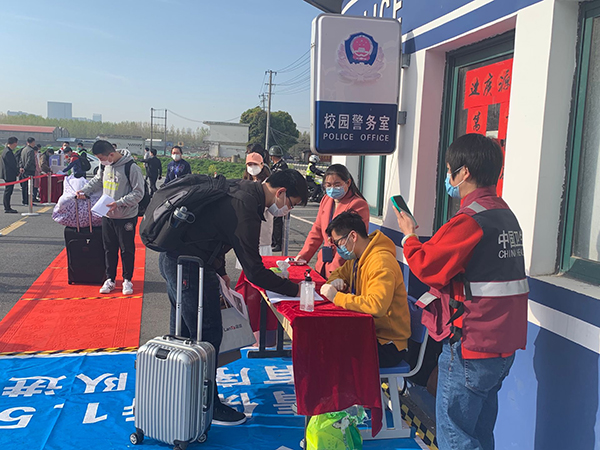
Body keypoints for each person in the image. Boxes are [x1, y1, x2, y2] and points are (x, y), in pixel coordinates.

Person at [394, 133, 528, 450]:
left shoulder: (470, 220)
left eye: (449, 170)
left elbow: (427, 266)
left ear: (463, 172)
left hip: (471, 347)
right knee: (480, 433)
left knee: (455, 437)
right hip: (502, 346)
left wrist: (409, 236)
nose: (448, 178)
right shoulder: (505, 215)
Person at [159, 169, 308, 426]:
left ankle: (182, 395)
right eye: (291, 204)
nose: (287, 210)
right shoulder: (247, 206)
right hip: (191, 269)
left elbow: (213, 232)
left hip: (178, 261)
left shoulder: (242, 190)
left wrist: (220, 271)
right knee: (207, 336)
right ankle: (208, 405)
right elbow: (254, 270)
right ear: (281, 192)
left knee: (184, 334)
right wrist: (295, 290)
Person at [320, 211, 411, 368]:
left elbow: (376, 306)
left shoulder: (381, 262)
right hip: (367, 332)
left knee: (331, 354)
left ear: (353, 236)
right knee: (326, 342)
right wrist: (338, 282)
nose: (338, 249)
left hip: (387, 344)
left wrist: (337, 297)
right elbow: (337, 274)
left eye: (338, 243)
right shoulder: (358, 257)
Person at [77, 140, 145, 296]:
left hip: (126, 215)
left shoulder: (131, 168)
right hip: (107, 214)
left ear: (111, 154)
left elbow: (138, 193)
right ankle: (110, 279)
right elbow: (98, 180)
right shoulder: (105, 166)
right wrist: (84, 191)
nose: (101, 162)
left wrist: (119, 203)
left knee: (126, 249)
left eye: (102, 158)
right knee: (109, 248)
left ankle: (127, 280)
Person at [296, 164, 369, 278]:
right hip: (323, 262)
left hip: (344, 266)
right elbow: (317, 231)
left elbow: (352, 242)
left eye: (337, 185)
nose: (332, 188)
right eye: (328, 185)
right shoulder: (326, 199)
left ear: (348, 183)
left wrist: (334, 269)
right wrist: (303, 256)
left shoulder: (358, 204)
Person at [242, 152, 273, 255]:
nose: (252, 167)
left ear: (262, 165)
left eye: (255, 164)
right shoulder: (245, 183)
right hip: (246, 230)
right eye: (249, 164)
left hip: (262, 232)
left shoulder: (267, 184)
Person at [269, 145, 288, 252]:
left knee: (277, 221)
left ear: (272, 156)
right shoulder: (275, 166)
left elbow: (276, 179)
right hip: (274, 195)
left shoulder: (282, 166)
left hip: (280, 196)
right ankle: (274, 241)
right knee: (273, 219)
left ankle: (278, 243)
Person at [1, 137, 20, 213]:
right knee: (8, 191)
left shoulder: (5, 151)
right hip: (9, 174)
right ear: (14, 143)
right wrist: (17, 172)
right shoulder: (8, 152)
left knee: (8, 191)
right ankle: (7, 207)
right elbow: (12, 164)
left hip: (7, 174)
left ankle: (7, 206)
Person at [19, 137, 37, 206]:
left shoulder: (24, 149)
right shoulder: (31, 150)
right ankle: (29, 201)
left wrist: (21, 167)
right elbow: (30, 160)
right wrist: (25, 168)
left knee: (24, 186)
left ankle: (25, 200)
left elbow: (21, 160)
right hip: (29, 170)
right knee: (29, 187)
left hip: (24, 170)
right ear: (32, 142)